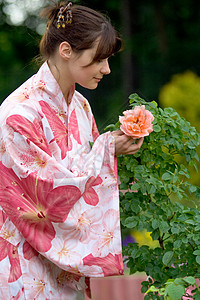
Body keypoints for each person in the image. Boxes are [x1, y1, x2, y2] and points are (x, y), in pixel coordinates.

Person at [0, 1, 144, 299]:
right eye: (98, 59)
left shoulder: (80, 105)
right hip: (23, 260)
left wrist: (113, 149)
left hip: (62, 265)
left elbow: (84, 171)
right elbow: (47, 192)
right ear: (66, 51)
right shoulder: (18, 113)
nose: (106, 69)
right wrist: (106, 150)